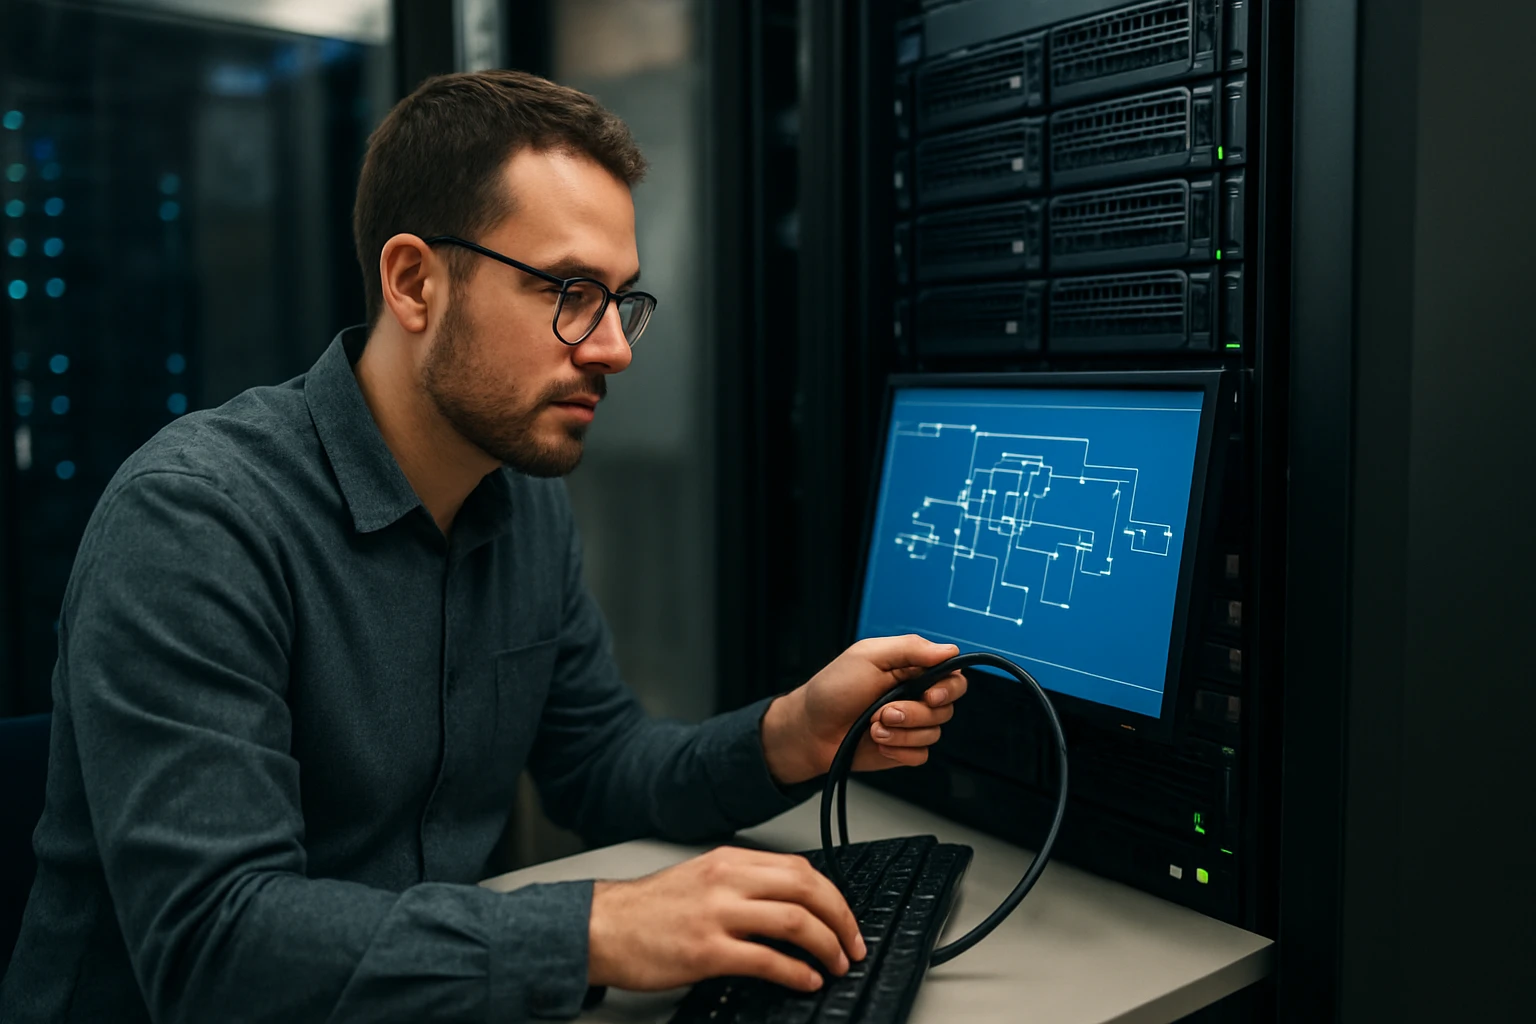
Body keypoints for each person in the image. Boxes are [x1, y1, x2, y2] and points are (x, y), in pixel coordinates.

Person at [0, 70, 968, 1022]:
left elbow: (601, 766)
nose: (613, 347)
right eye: (571, 291)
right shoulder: (197, 519)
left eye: (621, 299)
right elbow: (214, 946)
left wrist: (788, 734)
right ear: (415, 282)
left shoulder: (519, 501)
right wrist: (597, 930)